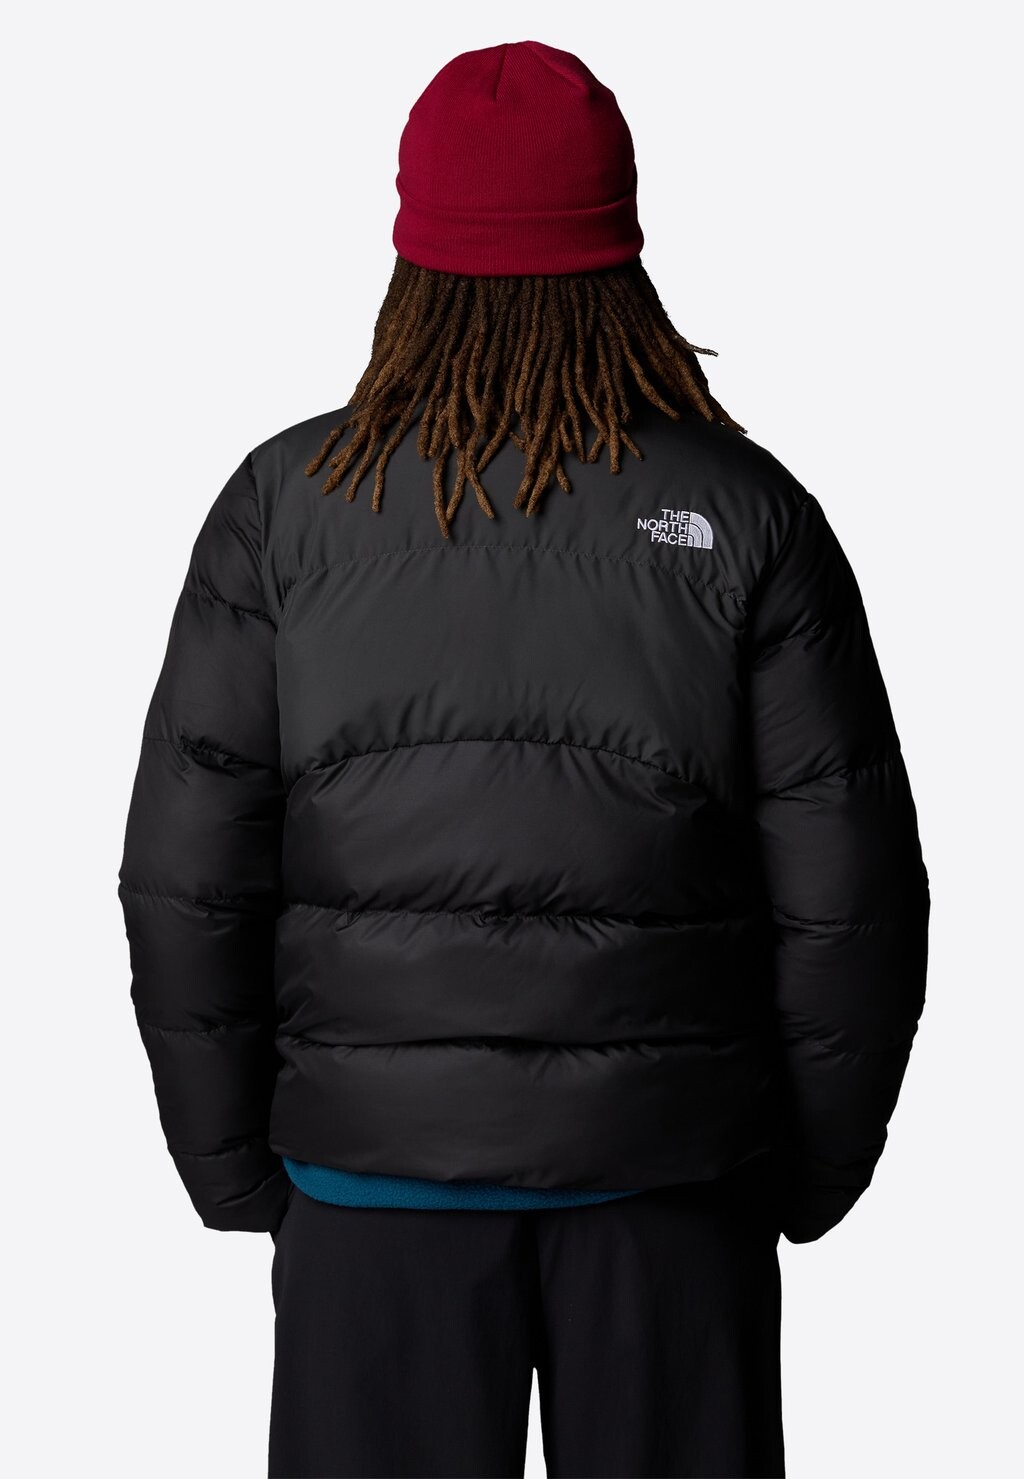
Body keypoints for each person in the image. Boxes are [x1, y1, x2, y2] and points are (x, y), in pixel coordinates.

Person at [117, 38, 930, 1479]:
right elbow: (851, 897)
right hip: (672, 1183)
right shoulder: (746, 513)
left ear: (410, 257)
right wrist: (805, 1171)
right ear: (622, 252)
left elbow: (186, 875)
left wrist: (234, 1160)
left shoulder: (283, 508)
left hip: (371, 1186)